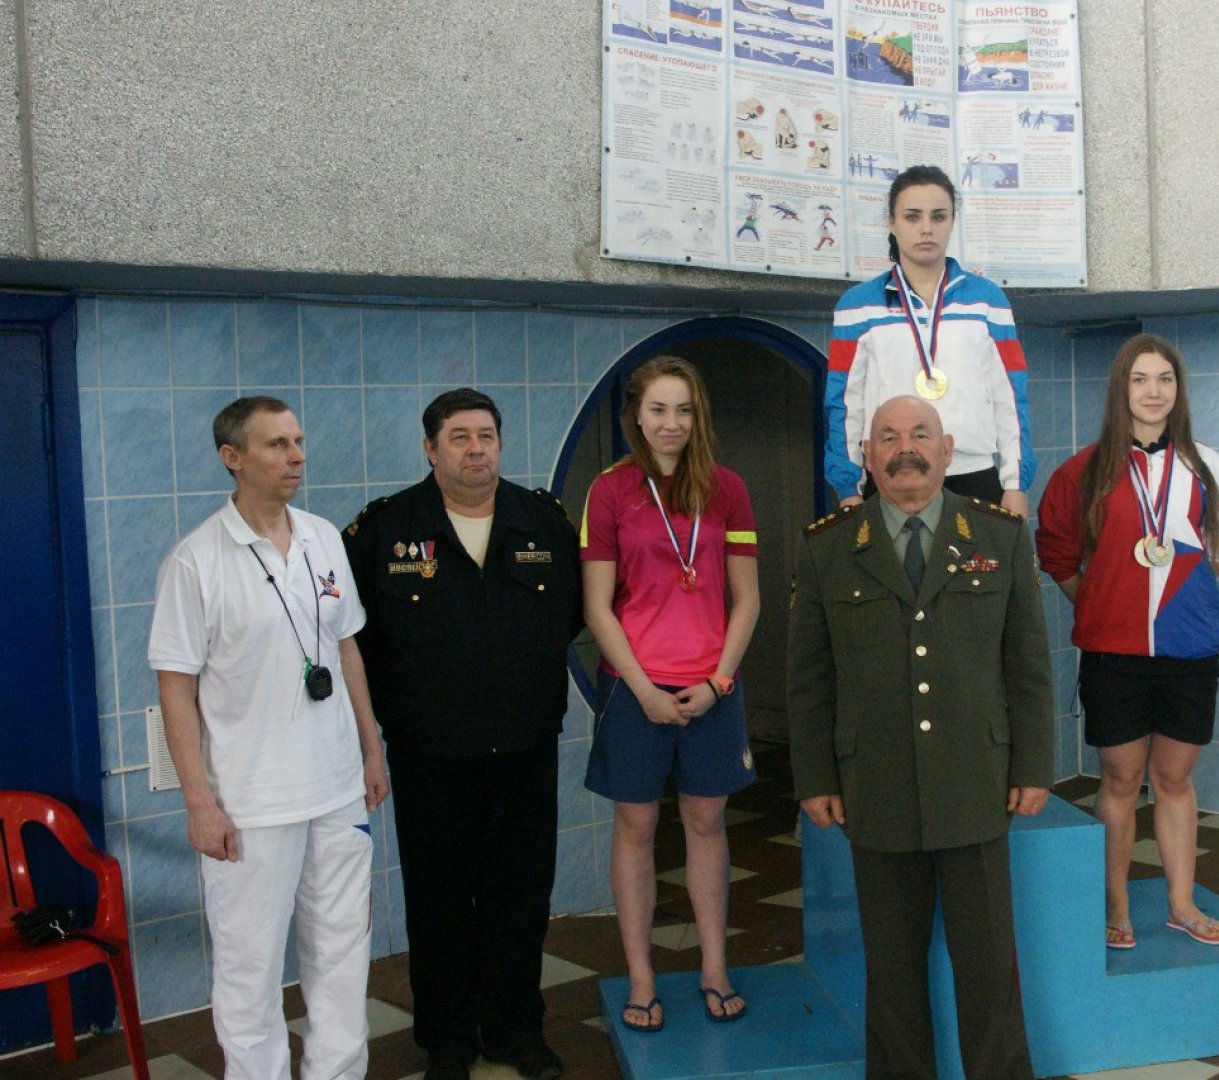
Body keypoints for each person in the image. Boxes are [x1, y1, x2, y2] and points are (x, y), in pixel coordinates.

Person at [789, 395, 1053, 1080]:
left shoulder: (998, 536)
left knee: (989, 966)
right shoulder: (827, 548)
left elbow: (1027, 664)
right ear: (867, 456)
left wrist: (1033, 766)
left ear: (947, 449)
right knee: (892, 969)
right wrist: (815, 776)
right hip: (875, 784)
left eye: (919, 434)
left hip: (975, 781)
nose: (905, 448)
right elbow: (810, 679)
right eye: (888, 437)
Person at [342, 389, 581, 1080]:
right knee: (438, 901)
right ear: (430, 448)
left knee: (521, 898)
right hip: (430, 753)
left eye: (486, 436)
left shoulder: (543, 521)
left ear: (500, 444)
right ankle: (446, 1040)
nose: (476, 449)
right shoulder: (386, 531)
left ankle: (515, 1031)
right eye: (459, 437)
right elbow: (355, 639)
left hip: (525, 747)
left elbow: (570, 615)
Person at [149, 396, 389, 1080]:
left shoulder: (322, 538)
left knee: (342, 952)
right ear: (233, 458)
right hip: (251, 802)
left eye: (298, 441)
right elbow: (176, 690)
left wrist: (371, 749)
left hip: (336, 788)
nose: (297, 456)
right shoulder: (196, 561)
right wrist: (200, 804)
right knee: (249, 969)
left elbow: (346, 649)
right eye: (277, 445)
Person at [1035, 333, 1219, 951]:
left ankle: (1182, 903)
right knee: (1121, 780)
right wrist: (1105, 606)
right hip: (1114, 656)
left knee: (1174, 780)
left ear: (1179, 390)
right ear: (1120, 389)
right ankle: (1117, 906)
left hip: (1189, 651)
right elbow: (1057, 556)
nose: (1154, 391)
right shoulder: (1082, 471)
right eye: (1140, 379)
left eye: (1165, 379)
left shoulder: (1208, 467)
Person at [580, 356, 761, 1032]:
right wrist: (642, 689)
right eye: (658, 409)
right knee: (636, 827)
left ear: (698, 417)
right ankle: (642, 977)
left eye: (683, 410)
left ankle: (714, 966)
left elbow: (747, 599)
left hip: (712, 685)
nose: (671, 423)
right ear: (636, 415)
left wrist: (719, 682)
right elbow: (598, 607)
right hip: (634, 688)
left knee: (707, 823)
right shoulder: (610, 491)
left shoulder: (727, 488)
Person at [825, 164, 1034, 515]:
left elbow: (1011, 398)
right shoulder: (858, 305)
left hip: (973, 474)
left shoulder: (987, 301)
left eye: (939, 216)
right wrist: (848, 487)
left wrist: (1015, 484)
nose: (926, 228)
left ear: (952, 221)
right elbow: (844, 405)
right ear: (891, 223)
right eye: (912, 216)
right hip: (892, 475)